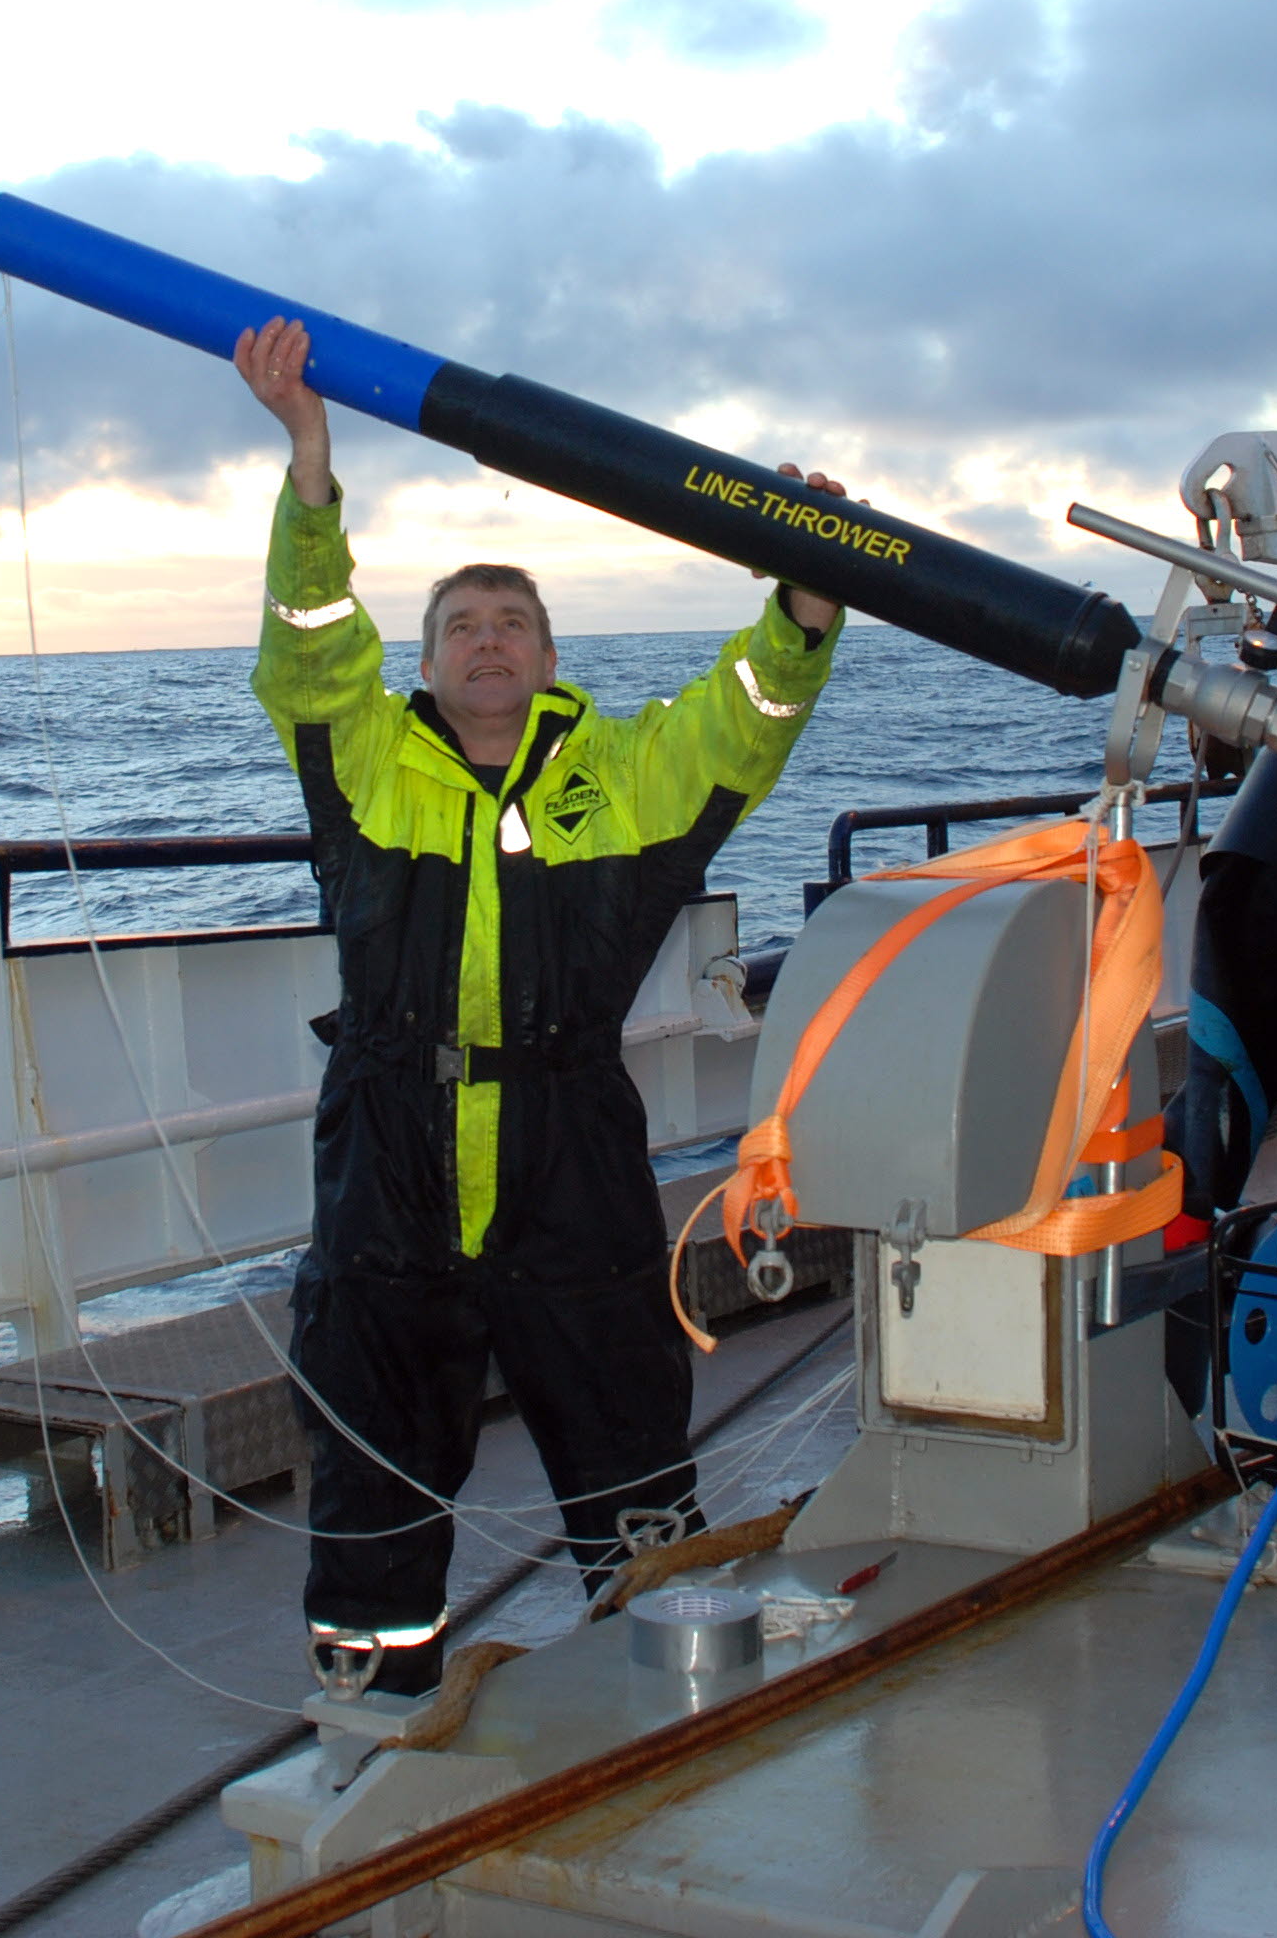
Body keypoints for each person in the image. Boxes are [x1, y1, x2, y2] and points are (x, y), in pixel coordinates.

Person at [233, 314, 846, 1698]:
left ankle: (670, 1706)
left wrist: (807, 594)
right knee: (376, 1461)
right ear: (431, 658)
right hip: (388, 1155)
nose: (487, 642)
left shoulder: (625, 771)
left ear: (550, 653)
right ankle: (370, 1720)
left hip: (571, 1149)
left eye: (511, 623)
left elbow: (749, 713)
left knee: (628, 1445)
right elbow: (310, 648)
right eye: (460, 626)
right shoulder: (365, 756)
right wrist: (312, 466)